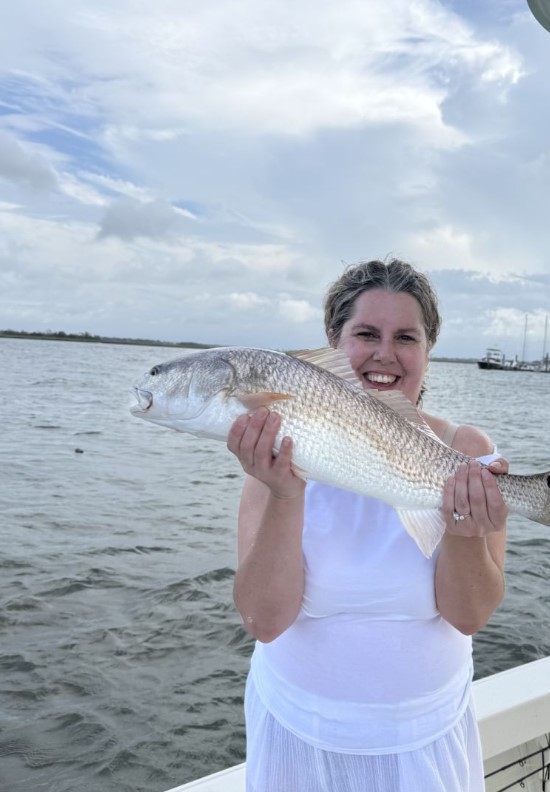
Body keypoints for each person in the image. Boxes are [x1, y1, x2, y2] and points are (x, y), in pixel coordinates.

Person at [227, 258, 508, 792]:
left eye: (406, 336)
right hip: (295, 732)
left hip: (425, 741)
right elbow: (264, 621)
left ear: (428, 350)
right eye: (365, 334)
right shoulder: (278, 453)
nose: (385, 353)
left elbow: (469, 616)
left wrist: (463, 533)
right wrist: (286, 492)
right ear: (332, 344)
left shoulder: (466, 453)